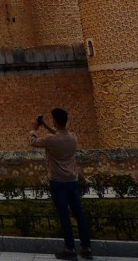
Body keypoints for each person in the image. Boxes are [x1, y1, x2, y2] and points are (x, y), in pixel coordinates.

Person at [31, 108, 92, 260]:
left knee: (64, 215)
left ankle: (70, 249)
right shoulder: (73, 137)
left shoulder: (51, 140)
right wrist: (46, 125)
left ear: (56, 121)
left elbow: (33, 142)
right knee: (79, 214)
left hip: (58, 182)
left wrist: (34, 129)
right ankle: (86, 247)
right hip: (72, 181)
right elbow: (59, 134)